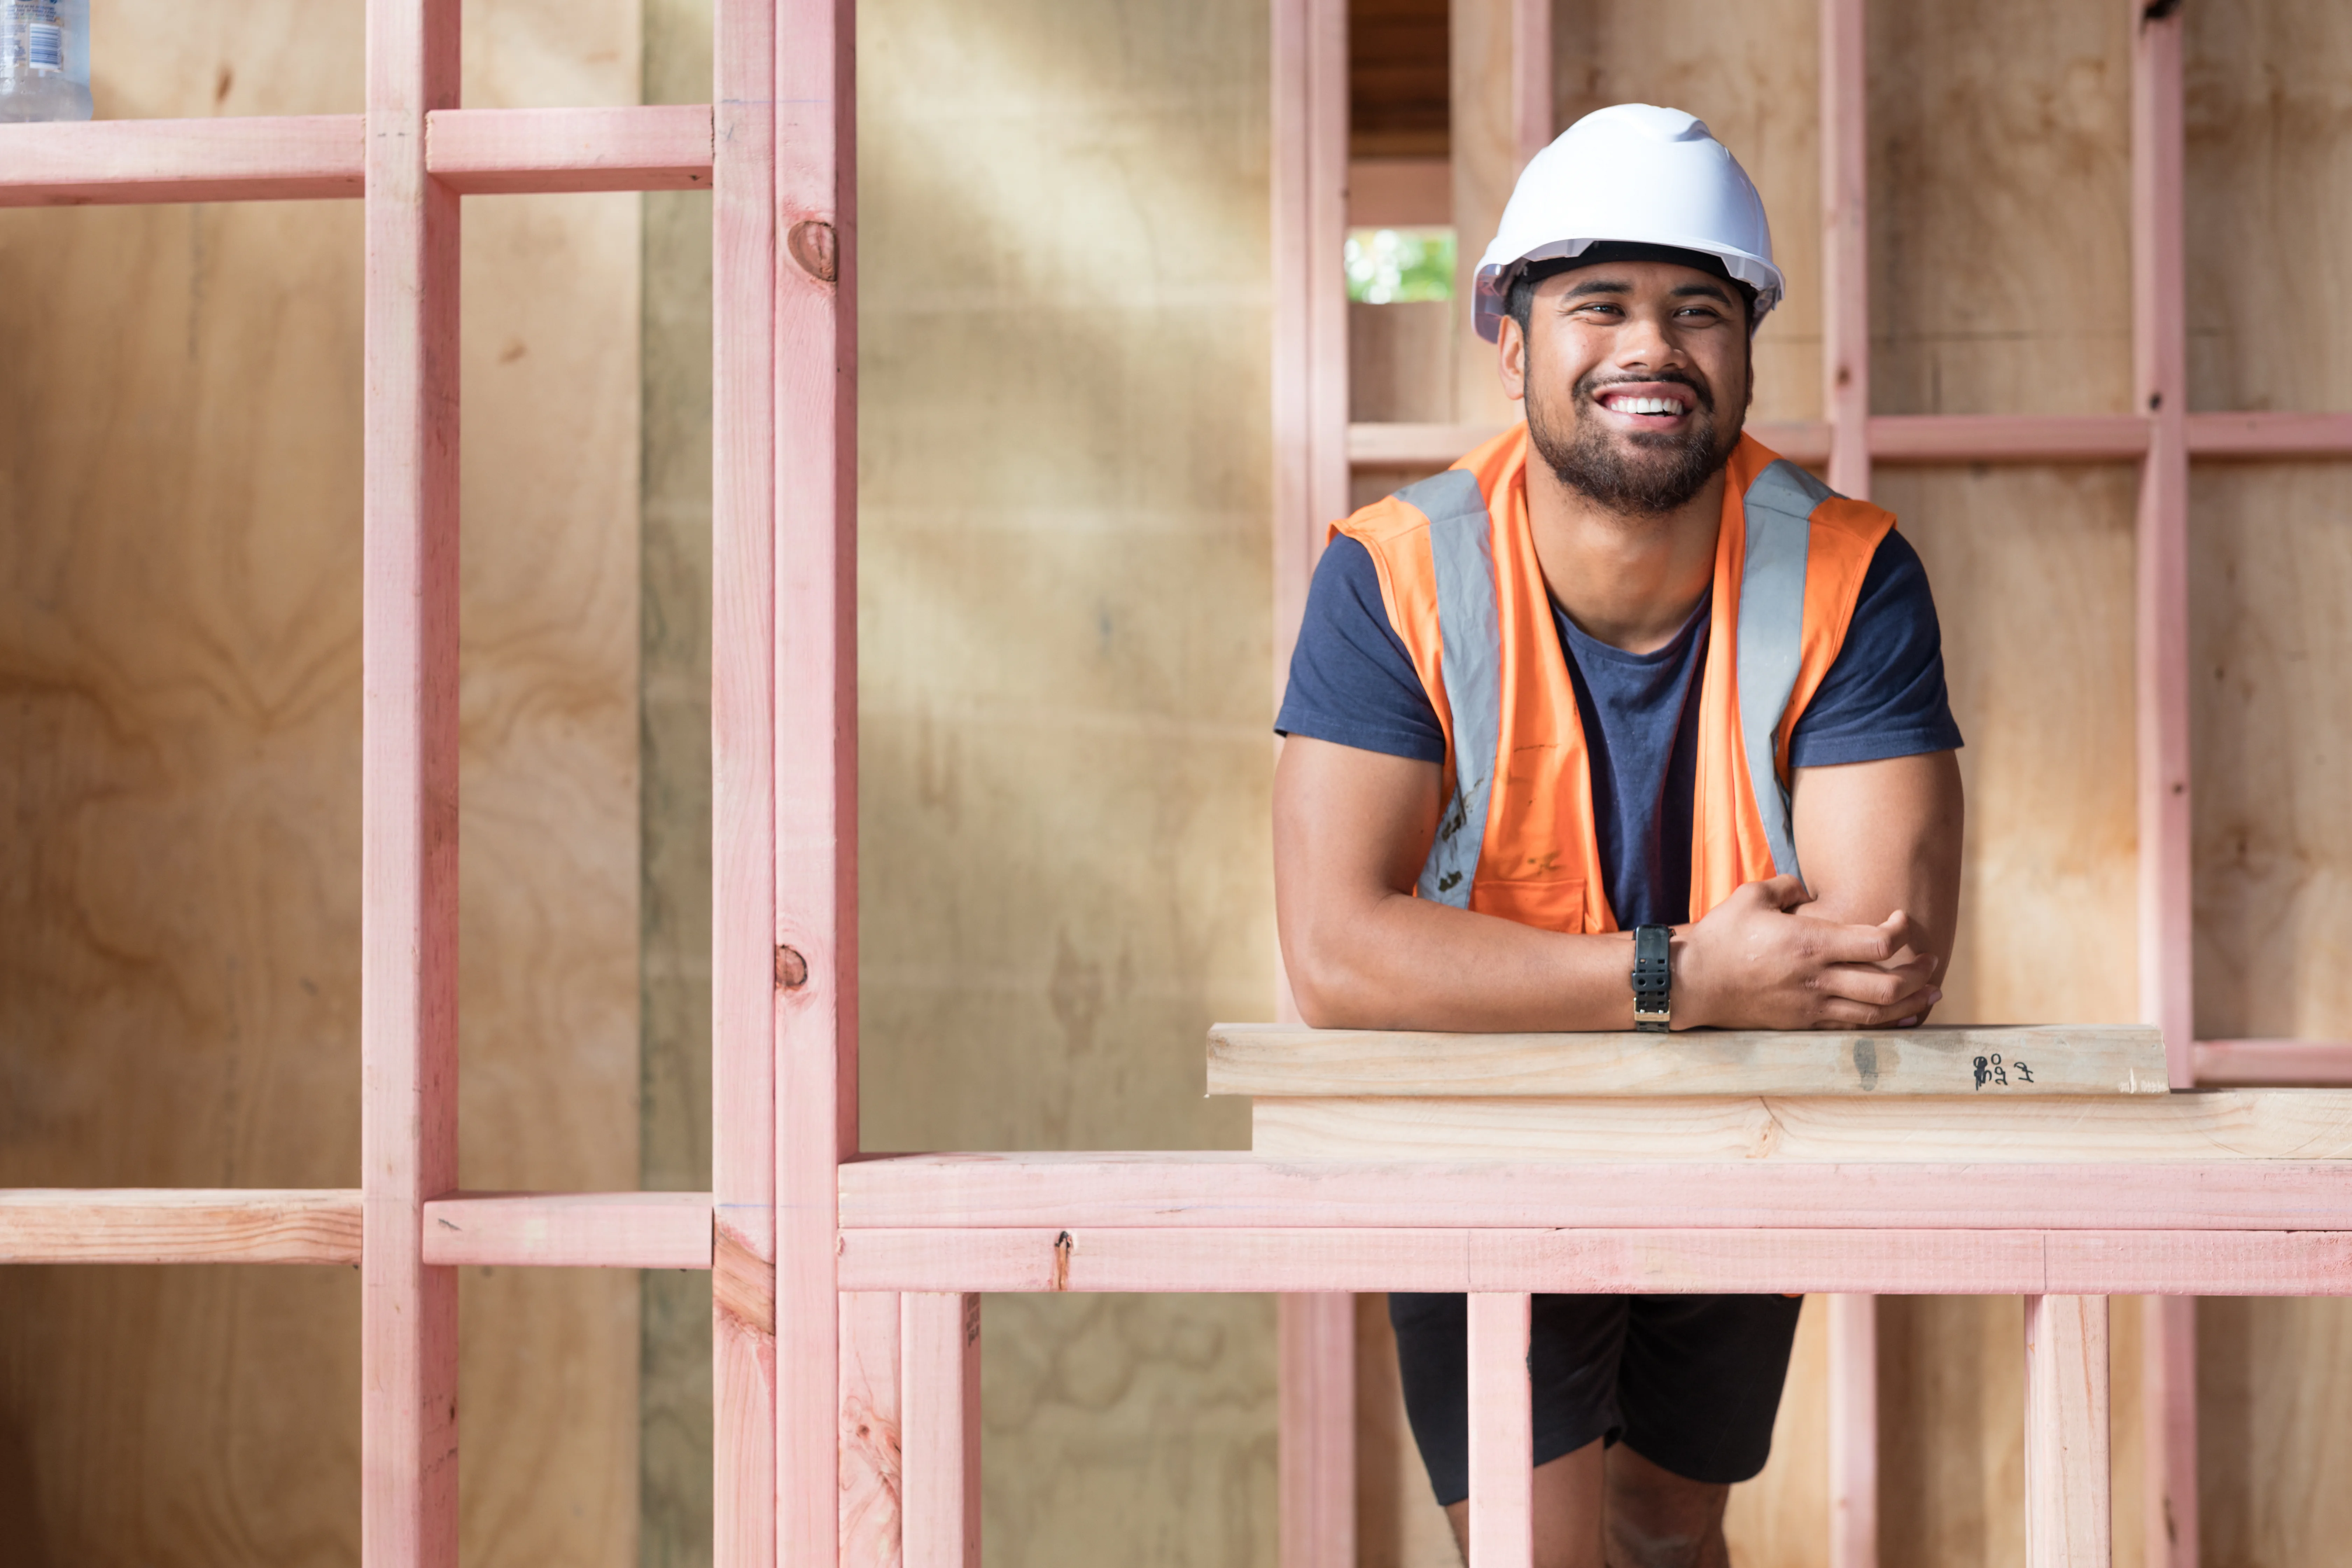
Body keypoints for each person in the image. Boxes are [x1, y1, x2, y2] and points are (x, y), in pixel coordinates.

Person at [1271, 103, 1966, 1568]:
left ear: (1745, 351)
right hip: (1480, 1131)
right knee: (1534, 1545)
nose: (1651, 346)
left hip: (1742, 1130)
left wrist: (1516, 972)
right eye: (1600, 305)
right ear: (1513, 343)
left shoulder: (1850, 571)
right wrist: (1681, 980)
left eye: (1696, 310)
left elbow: (1880, 956)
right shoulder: (1390, 576)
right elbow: (1338, 955)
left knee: (1665, 1527)